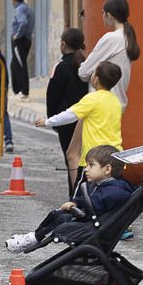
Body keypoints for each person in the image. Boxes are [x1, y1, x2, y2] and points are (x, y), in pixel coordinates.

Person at [6, 146, 133, 253]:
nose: (86, 169)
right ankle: (34, 237)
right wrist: (75, 203)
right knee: (56, 213)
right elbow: (85, 199)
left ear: (107, 169)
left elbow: (94, 208)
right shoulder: (99, 184)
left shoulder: (115, 191)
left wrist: (76, 208)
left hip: (95, 227)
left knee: (62, 219)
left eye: (91, 165)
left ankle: (35, 239)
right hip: (90, 221)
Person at [36, 61, 124, 189]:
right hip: (114, 157)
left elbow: (70, 115)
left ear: (96, 79)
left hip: (93, 158)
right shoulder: (115, 101)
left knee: (81, 195)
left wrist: (48, 122)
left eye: (94, 72)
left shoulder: (92, 99)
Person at [47, 28, 90, 196]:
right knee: (84, 158)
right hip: (84, 118)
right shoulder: (84, 65)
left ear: (63, 44)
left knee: (71, 158)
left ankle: (75, 195)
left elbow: (53, 95)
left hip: (66, 119)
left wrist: (52, 119)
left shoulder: (61, 67)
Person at [78, 0, 141, 108]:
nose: (102, 16)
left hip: (101, 104)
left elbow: (83, 72)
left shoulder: (111, 39)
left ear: (109, 15)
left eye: (103, 13)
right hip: (117, 104)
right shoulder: (128, 37)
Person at [9, 0, 34, 97]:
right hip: (23, 40)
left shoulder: (20, 9)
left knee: (20, 65)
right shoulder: (26, 8)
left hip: (20, 41)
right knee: (14, 64)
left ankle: (23, 91)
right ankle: (17, 90)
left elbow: (23, 22)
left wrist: (17, 35)